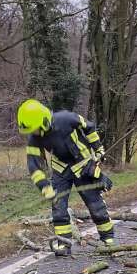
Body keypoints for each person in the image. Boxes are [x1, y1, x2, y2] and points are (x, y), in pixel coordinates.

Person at [17, 99, 117, 253]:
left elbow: (89, 127)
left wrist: (98, 149)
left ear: (44, 121)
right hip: (61, 169)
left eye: (35, 129)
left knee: (94, 202)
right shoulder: (34, 139)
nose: (33, 133)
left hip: (83, 165)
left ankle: (108, 238)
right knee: (58, 206)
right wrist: (45, 187)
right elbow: (34, 166)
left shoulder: (66, 118)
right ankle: (64, 243)